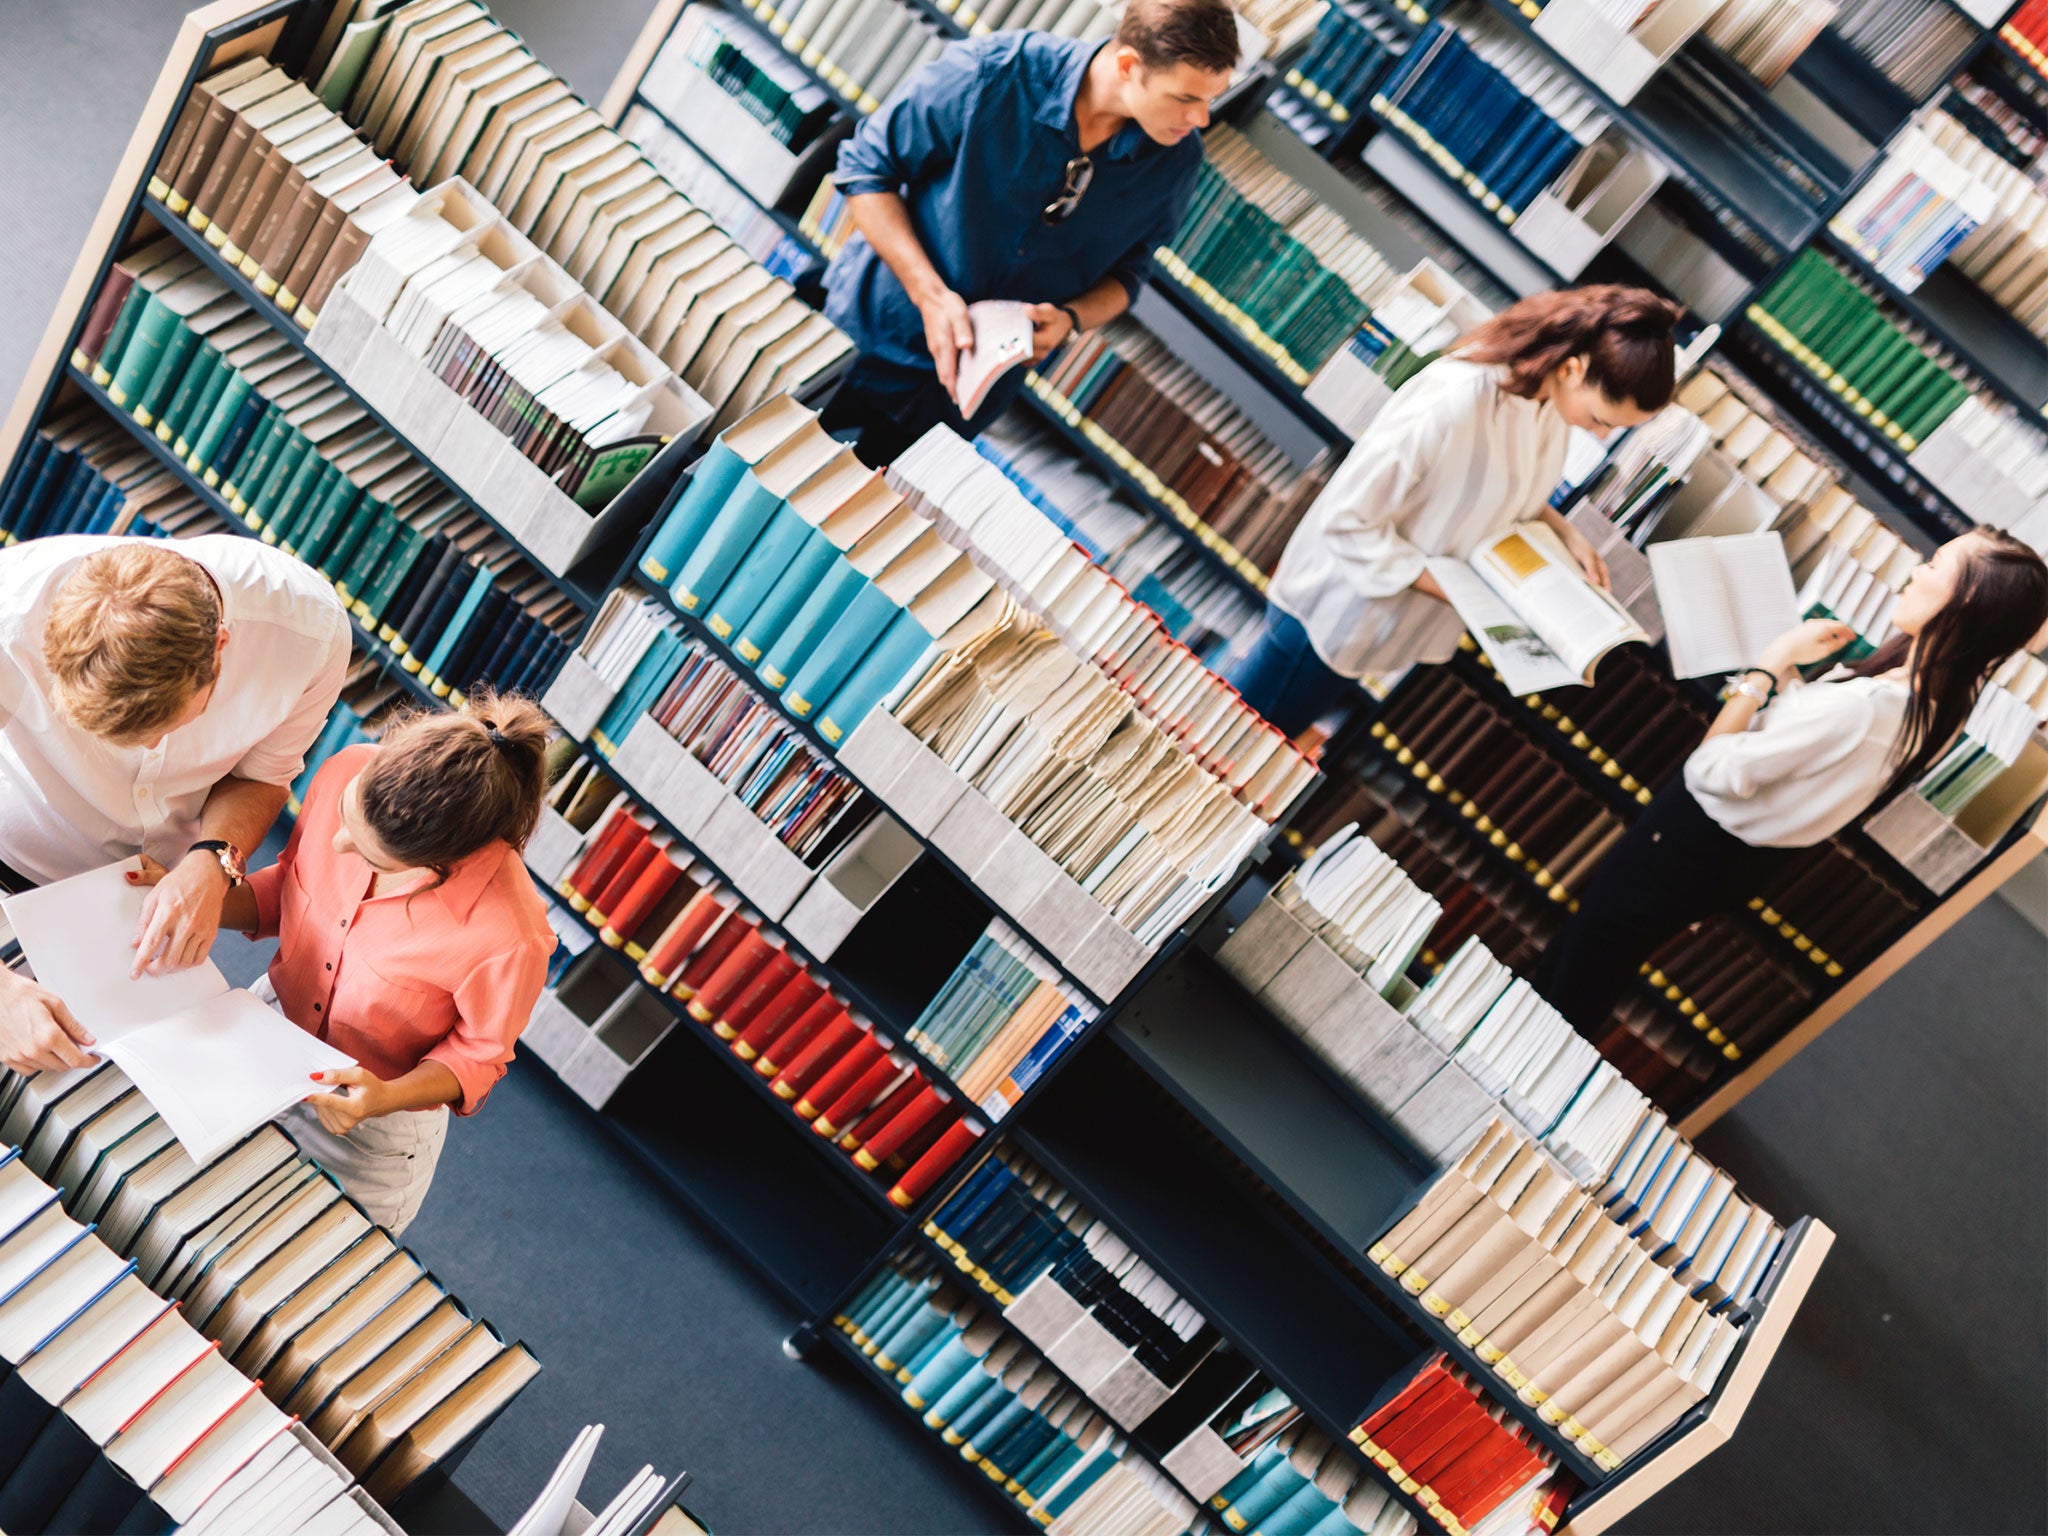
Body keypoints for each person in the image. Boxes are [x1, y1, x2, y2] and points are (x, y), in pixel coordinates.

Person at [1535, 528, 2048, 1039]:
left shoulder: (1870, 708)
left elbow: (1710, 770)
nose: (1916, 572)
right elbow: (1814, 752)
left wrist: (1768, 663)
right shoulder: (1946, 702)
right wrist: (1789, 682)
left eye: (1936, 566)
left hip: (1687, 845)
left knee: (1577, 974)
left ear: (1966, 603)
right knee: (1592, 967)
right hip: (1729, 864)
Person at [132, 692, 556, 1235]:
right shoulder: (345, 767)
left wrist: (388, 1097)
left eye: (365, 851)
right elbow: (288, 887)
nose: (336, 842)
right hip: (263, 1040)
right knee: (180, 1212)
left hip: (369, 1122)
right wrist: (192, 894)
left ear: (440, 863)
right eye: (344, 815)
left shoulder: (510, 937)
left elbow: (478, 1056)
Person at [1233, 286, 1683, 737]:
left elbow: (1490, 484)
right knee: (1226, 755)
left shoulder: (1549, 404)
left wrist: (1567, 533)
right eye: (1602, 420)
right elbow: (1347, 520)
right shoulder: (1457, 398)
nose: (1601, 436)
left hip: (1375, 628)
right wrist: (1469, 594)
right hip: (1332, 615)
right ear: (1572, 368)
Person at [819, 0, 1238, 466]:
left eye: (1211, 99)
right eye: (1186, 98)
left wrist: (1072, 320)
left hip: (964, 402)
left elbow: (1131, 275)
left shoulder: (1176, 161)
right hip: (864, 339)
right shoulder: (994, 72)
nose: (1201, 119)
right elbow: (866, 170)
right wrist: (929, 295)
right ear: (1128, 66)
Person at [0, 536, 349, 1074]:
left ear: (220, 647)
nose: (143, 753)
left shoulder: (310, 637)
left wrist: (212, 863)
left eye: (162, 728)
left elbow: (261, 777)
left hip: (131, 911)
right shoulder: (9, 609)